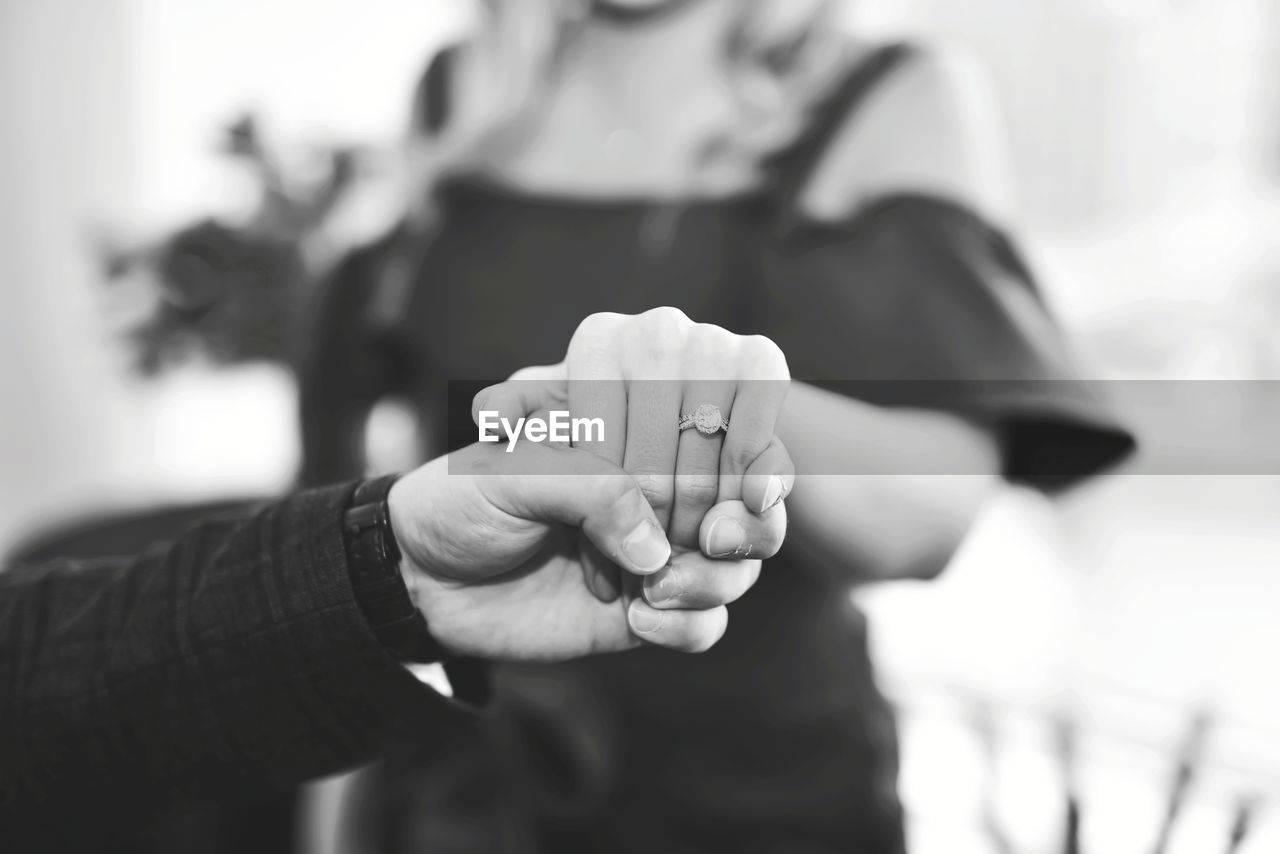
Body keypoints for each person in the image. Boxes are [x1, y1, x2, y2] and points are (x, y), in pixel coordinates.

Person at [301, 1, 1137, 851]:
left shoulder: (890, 96)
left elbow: (922, 518)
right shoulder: (464, 88)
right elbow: (400, 477)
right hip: (459, 786)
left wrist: (705, 397)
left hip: (750, 789)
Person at [0, 312, 794, 849]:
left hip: (738, 732)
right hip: (480, 730)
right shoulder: (449, 129)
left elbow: (48, 678)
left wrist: (399, 571)